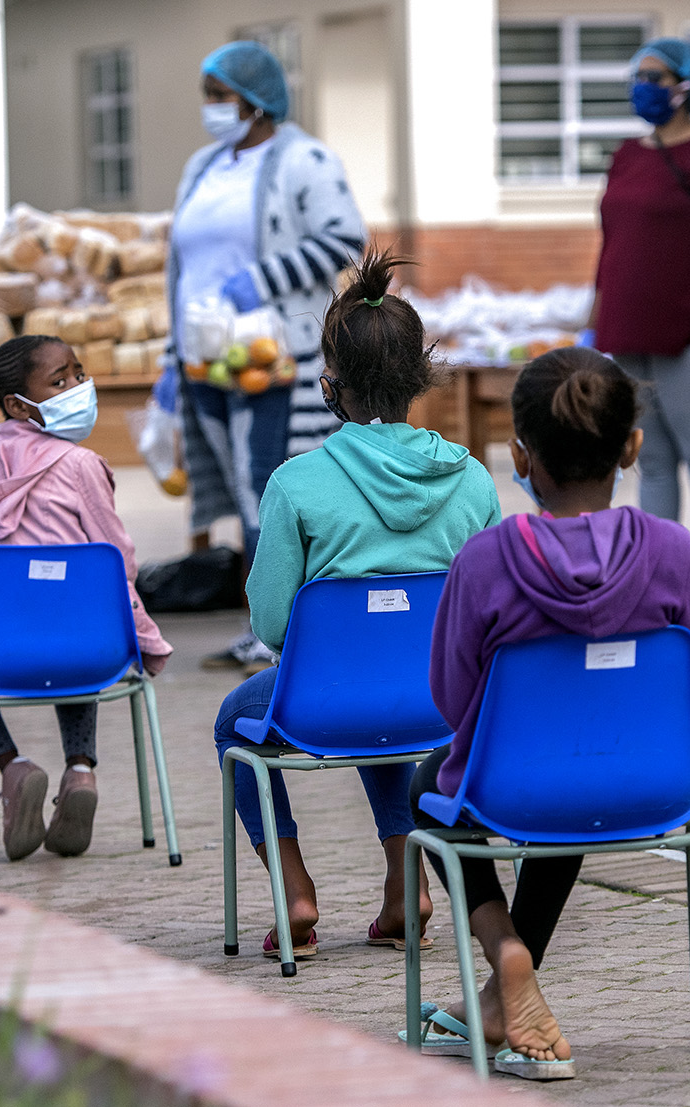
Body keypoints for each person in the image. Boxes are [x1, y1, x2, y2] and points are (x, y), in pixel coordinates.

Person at [409, 347, 690, 1079]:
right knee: (575, 775)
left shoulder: (483, 560)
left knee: (429, 787)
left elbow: (451, 698)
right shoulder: (674, 549)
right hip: (653, 784)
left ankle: (505, 954)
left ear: (518, 452)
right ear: (633, 446)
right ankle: (498, 996)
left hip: (519, 783)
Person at [213, 250, 500, 960]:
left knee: (235, 718)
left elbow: (272, 623)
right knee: (388, 705)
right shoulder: (472, 478)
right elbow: (495, 607)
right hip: (443, 704)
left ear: (331, 386)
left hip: (323, 704)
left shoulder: (296, 481)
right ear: (420, 376)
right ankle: (407, 887)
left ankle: (295, 889)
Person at [0, 336, 172, 861]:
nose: (79, 387)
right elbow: (118, 560)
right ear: (19, 405)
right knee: (76, 634)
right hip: (90, 653)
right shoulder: (83, 466)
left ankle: (12, 766)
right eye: (60, 381)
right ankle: (81, 771)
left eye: (78, 374)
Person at [168, 40, 368, 675]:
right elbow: (181, 261)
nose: (209, 108)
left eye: (219, 96)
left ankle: (281, 629)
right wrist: (170, 358)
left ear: (255, 101)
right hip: (206, 359)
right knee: (239, 487)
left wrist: (265, 278)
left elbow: (344, 239)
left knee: (269, 487)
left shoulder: (304, 160)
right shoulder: (203, 165)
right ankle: (265, 624)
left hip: (271, 359)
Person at [587, 37, 690, 622]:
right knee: (650, 461)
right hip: (627, 331)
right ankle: (659, 580)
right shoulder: (628, 156)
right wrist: (593, 326)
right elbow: (610, 249)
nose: (645, 87)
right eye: (638, 76)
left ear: (685, 86)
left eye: (656, 77)